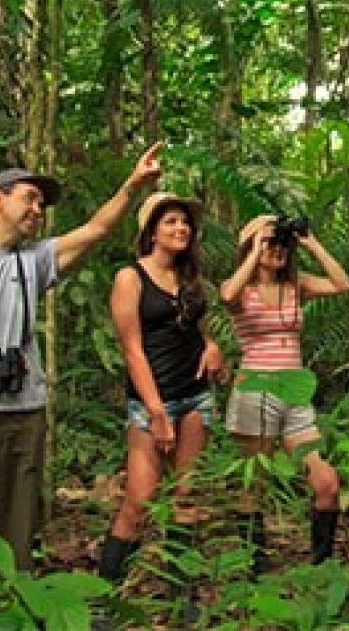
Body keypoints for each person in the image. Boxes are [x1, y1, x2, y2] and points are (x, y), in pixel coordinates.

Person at [0, 144, 164, 570]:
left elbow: (95, 230)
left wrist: (133, 186)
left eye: (41, 204)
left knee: (20, 526)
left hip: (23, 411)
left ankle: (18, 608)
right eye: (30, 198)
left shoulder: (37, 259)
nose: (37, 209)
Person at [96, 191, 222, 592]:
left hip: (196, 396)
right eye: (170, 221)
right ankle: (105, 598)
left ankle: (181, 594)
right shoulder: (130, 278)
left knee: (186, 497)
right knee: (139, 502)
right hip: (154, 401)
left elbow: (196, 328)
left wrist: (213, 345)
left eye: (185, 223)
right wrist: (156, 411)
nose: (180, 228)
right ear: (151, 231)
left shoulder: (189, 278)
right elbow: (132, 349)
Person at [220, 214, 349, 569]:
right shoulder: (241, 290)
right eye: (269, 244)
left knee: (326, 482)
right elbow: (227, 295)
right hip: (254, 392)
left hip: (294, 394)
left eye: (282, 245)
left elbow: (344, 285)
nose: (277, 250)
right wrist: (256, 246)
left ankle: (320, 566)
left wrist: (309, 242)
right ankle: (255, 566)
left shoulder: (297, 285)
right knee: (255, 486)